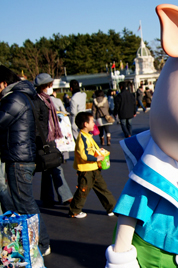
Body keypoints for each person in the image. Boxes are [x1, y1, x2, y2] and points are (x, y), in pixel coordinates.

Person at [0, 65, 50, 256]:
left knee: (25, 204)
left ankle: (42, 244)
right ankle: (36, 242)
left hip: (19, 159)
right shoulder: (21, 96)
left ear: (3, 83)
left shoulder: (15, 98)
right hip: (20, 157)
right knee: (23, 203)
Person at [33, 73, 73, 207]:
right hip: (43, 139)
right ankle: (66, 196)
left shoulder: (47, 99)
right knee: (55, 165)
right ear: (44, 86)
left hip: (47, 138)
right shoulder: (38, 101)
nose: (51, 87)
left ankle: (47, 198)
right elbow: (36, 122)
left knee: (47, 166)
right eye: (50, 85)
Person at [68, 111, 116, 219]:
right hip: (86, 170)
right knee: (83, 190)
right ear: (85, 124)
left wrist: (98, 151)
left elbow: (91, 149)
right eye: (92, 122)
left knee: (102, 188)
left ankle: (112, 208)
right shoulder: (82, 138)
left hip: (93, 168)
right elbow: (83, 155)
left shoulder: (87, 136)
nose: (94, 123)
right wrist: (96, 158)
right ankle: (74, 211)